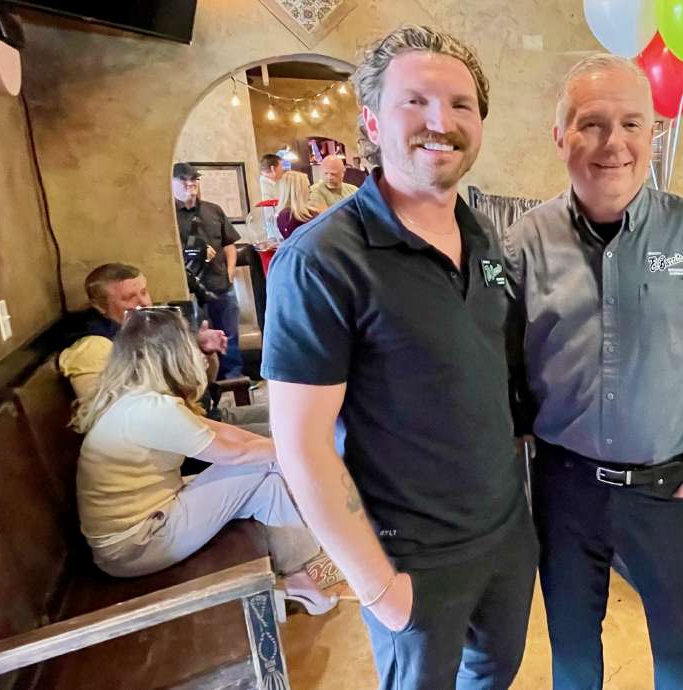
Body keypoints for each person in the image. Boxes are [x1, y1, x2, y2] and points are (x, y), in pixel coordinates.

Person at [261, 25, 536, 690]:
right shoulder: (323, 259)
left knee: (494, 676)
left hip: (504, 537)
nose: (441, 122)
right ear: (372, 123)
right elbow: (300, 447)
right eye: (416, 101)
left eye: (461, 105)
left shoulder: (485, 239)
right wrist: (378, 588)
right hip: (409, 558)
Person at [503, 54, 683, 690]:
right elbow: (500, 356)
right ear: (559, 136)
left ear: (653, 133)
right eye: (591, 123)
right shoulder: (523, 242)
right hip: (564, 486)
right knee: (571, 643)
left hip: (672, 488)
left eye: (633, 123)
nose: (614, 144)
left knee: (679, 643)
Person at [70, 307, 337, 614]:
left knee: (269, 480)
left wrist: (291, 450)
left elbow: (229, 435)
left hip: (142, 529)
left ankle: (300, 579)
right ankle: (321, 549)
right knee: (264, 467)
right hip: (137, 545)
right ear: (174, 354)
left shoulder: (134, 398)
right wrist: (305, 454)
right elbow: (235, 453)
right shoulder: (153, 410)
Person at [57, 262, 270, 436]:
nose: (142, 303)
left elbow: (204, 385)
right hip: (177, 439)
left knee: (293, 417)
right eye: (128, 298)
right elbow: (109, 419)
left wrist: (202, 353)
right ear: (100, 307)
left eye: (143, 292)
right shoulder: (92, 348)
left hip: (204, 417)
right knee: (288, 439)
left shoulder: (150, 328)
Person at [173, 162, 244, 380]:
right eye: (184, 181)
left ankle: (234, 379)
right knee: (196, 339)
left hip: (221, 284)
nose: (190, 185)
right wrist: (195, 254)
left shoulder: (213, 210)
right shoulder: (167, 217)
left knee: (229, 336)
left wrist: (230, 272)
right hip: (190, 290)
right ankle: (206, 383)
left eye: (193, 180)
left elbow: (229, 243)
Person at [276, 170, 323, 240]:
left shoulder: (284, 215)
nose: (310, 190)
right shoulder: (289, 216)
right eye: (307, 187)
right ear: (298, 190)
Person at [259, 153, 286, 239]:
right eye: (281, 167)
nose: (283, 170)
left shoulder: (278, 183)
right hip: (274, 236)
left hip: (281, 233)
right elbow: (269, 215)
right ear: (273, 169)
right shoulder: (261, 185)